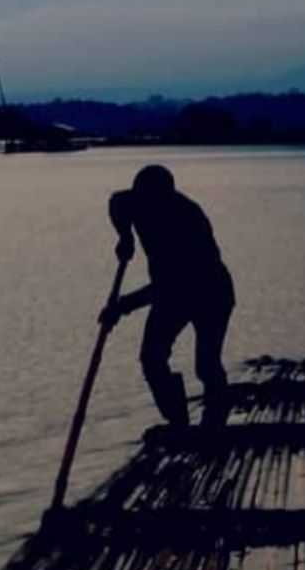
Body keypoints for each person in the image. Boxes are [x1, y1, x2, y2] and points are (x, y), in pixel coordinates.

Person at [98, 165, 236, 428]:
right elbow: (116, 202)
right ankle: (178, 421)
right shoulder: (135, 202)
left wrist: (121, 306)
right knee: (152, 357)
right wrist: (125, 236)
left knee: (206, 364)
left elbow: (170, 285)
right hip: (172, 293)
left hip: (210, 292)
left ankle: (215, 424)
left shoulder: (187, 220)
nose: (145, 207)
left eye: (152, 201)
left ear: (167, 197)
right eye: (142, 199)